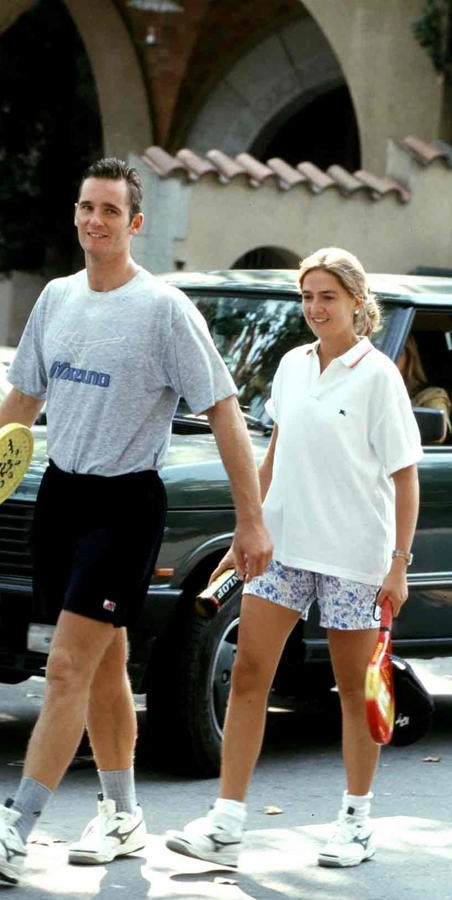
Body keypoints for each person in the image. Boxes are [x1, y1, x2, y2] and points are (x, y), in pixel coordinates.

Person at [0, 157, 272, 885]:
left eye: (110, 211)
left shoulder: (163, 310)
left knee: (66, 665)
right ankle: (123, 815)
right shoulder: (56, 300)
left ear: (136, 223)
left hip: (125, 506)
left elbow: (222, 409)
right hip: (61, 497)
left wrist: (252, 521)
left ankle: (15, 826)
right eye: (86, 207)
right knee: (103, 667)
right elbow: (23, 400)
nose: (95, 220)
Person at [167, 247, 423, 870]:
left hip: (354, 558)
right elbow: (277, 448)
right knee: (250, 676)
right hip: (284, 549)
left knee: (351, 691)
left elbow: (405, 477)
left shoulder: (378, 375)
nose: (314, 308)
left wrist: (398, 564)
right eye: (307, 296)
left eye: (327, 296)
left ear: (358, 304)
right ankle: (227, 821)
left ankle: (356, 821)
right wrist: (248, 525)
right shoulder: (290, 365)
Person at [397, 333, 451, 443]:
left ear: (409, 357)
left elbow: (439, 434)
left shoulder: (432, 395)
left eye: (399, 353)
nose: (387, 360)